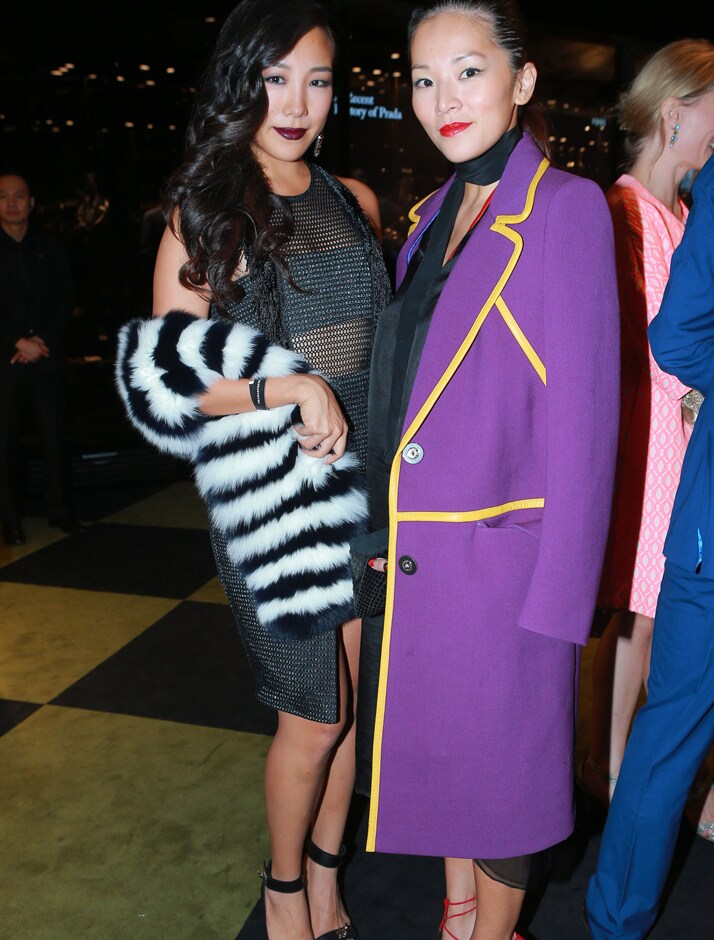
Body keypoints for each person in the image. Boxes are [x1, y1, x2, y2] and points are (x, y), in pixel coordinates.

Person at [114, 3, 390, 939]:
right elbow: (173, 383)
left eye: (318, 81)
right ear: (242, 83)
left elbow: (379, 350)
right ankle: (282, 897)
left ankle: (327, 881)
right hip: (272, 506)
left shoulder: (355, 202)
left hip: (361, 489)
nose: (298, 104)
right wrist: (289, 389)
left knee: (351, 712)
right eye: (276, 80)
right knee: (312, 718)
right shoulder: (207, 214)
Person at [358, 3, 620, 939]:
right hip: (424, 555)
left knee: (505, 793)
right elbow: (401, 385)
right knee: (448, 777)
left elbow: (588, 421)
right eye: (424, 81)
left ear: (523, 81)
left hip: (507, 565)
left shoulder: (566, 210)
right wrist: (380, 522)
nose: (445, 100)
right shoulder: (429, 216)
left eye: (469, 71)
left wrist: (560, 602)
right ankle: (459, 916)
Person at [585, 104, 714, 940]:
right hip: (672, 472)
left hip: (706, 506)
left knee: (668, 724)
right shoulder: (630, 206)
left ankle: (614, 923)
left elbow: (679, 334)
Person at [0, 171, 80, 546]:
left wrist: (40, 340)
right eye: (3, 196)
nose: (11, 203)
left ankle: (59, 510)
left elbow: (66, 300)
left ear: (31, 203)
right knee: (5, 443)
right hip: (5, 362)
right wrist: (16, 341)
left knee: (54, 438)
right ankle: (10, 519)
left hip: (46, 357)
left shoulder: (50, 247)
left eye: (19, 195)